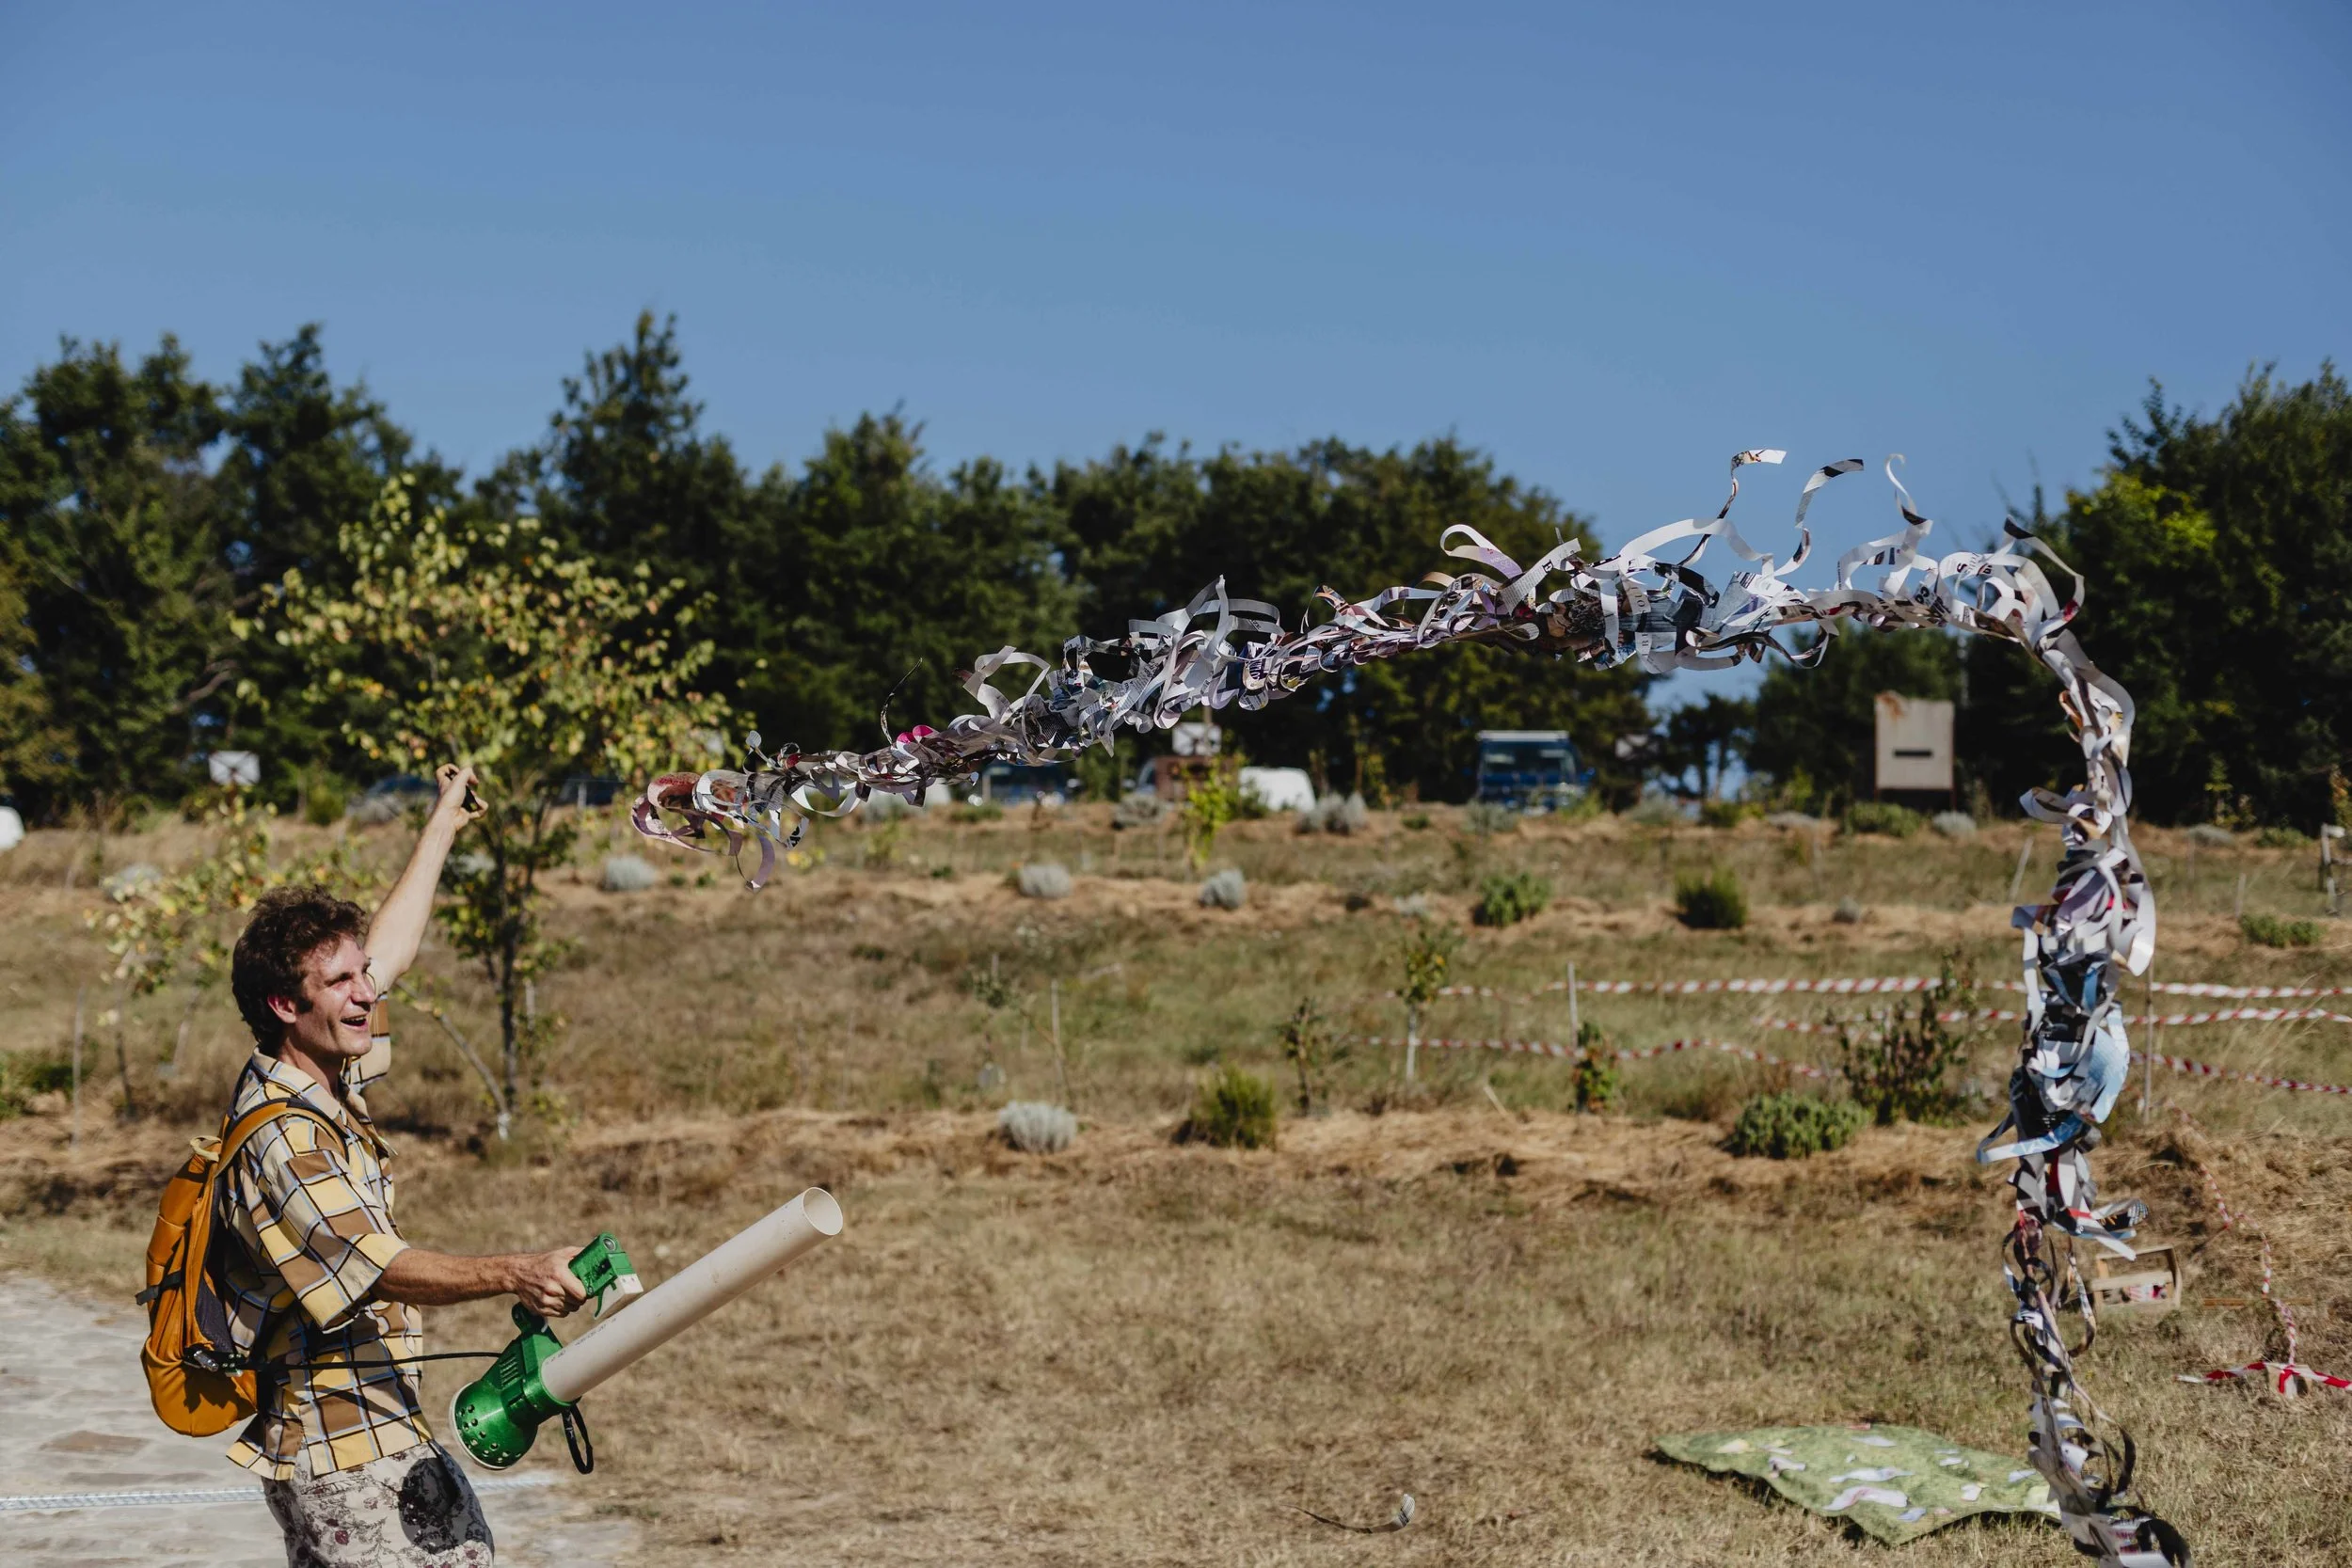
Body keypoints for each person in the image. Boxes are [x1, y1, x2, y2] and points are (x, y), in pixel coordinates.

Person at [219, 764, 586, 1568]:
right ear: (286, 1004)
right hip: (342, 1447)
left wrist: (442, 827)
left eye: (362, 977)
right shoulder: (284, 1138)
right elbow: (374, 1265)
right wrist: (517, 1271)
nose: (366, 995)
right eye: (342, 982)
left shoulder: (320, 1073)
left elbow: (389, 952)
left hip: (379, 1421)